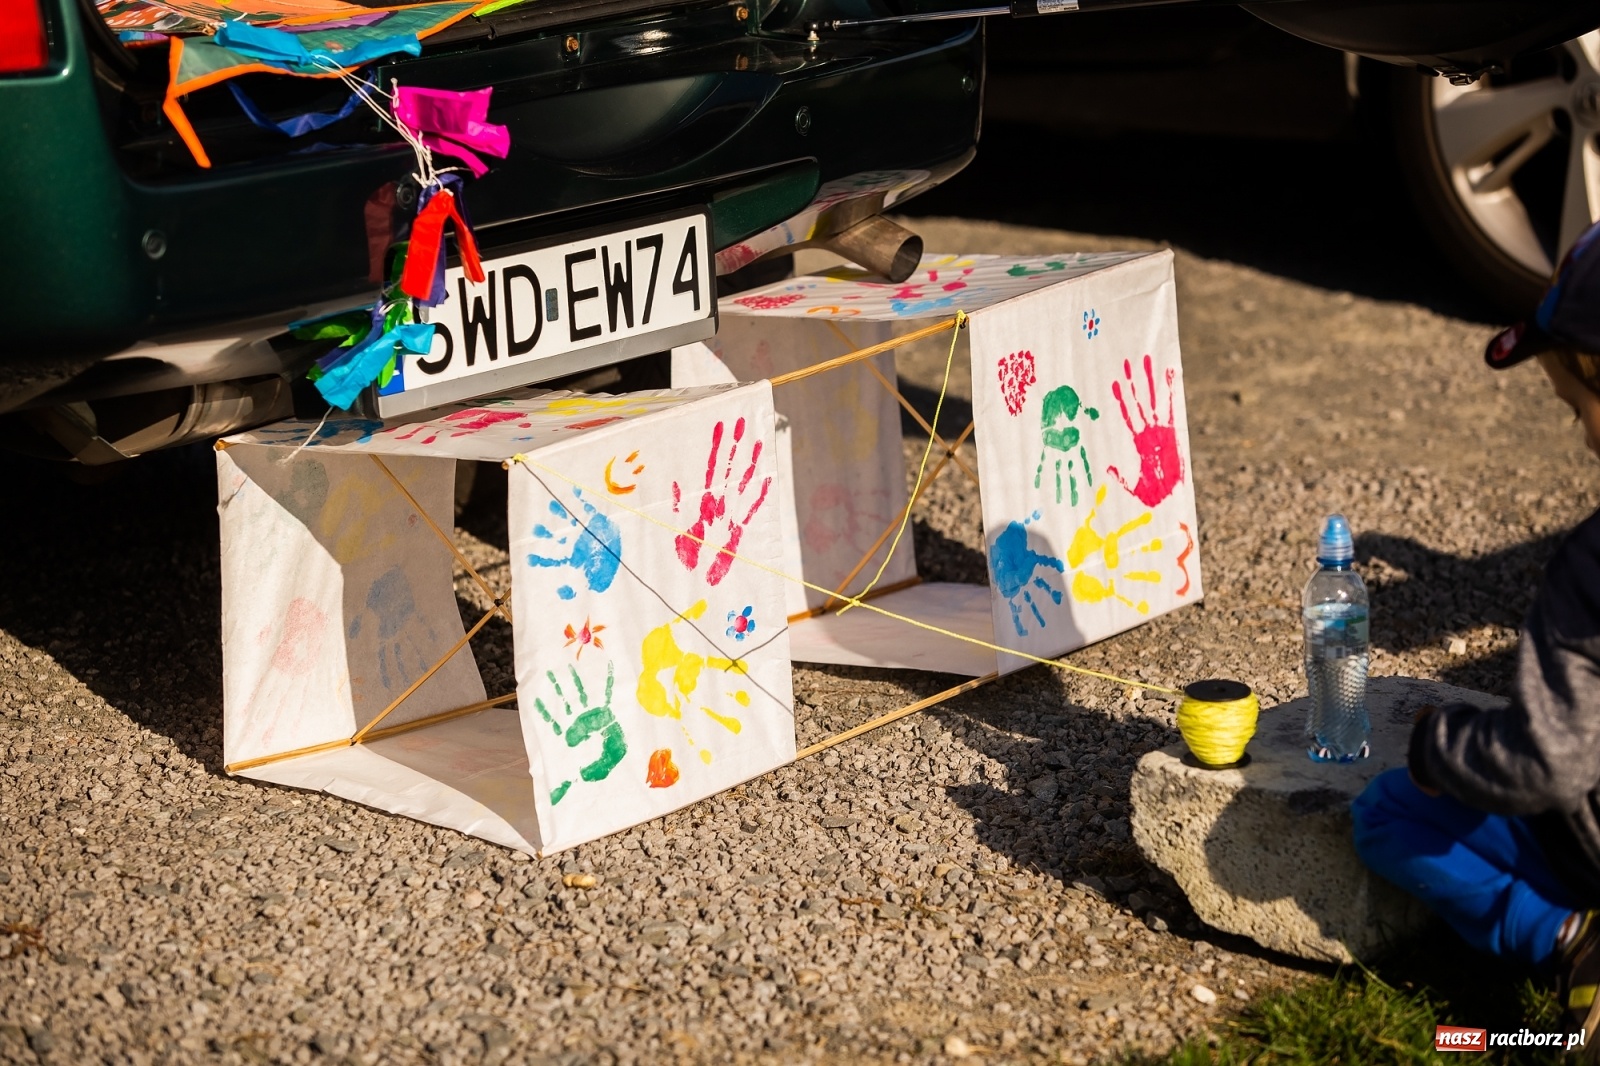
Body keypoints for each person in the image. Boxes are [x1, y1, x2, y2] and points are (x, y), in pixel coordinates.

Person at [1352, 219, 1600, 1050]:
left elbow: (1552, 762)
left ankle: (1572, 945)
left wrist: (1439, 745)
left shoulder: (1589, 567)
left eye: (1579, 411)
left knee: (1389, 813)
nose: (1588, 437)